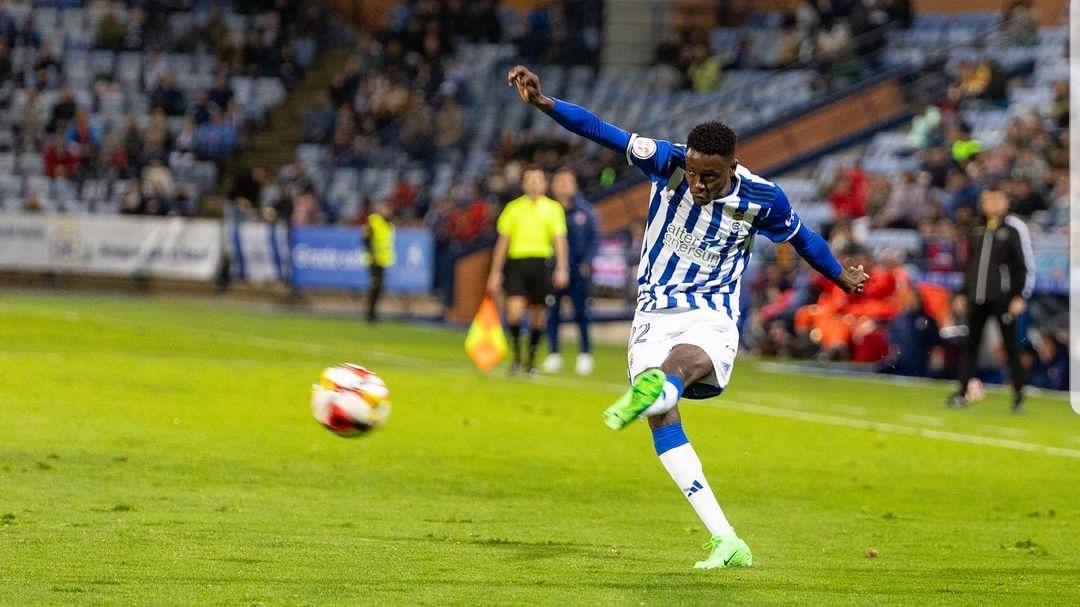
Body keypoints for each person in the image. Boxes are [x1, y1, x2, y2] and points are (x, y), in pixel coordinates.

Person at [507, 65, 868, 570]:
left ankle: (662, 385)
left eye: (711, 176)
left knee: (674, 370)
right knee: (660, 414)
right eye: (694, 173)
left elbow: (803, 238)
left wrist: (837, 275)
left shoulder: (763, 198)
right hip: (654, 309)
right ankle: (726, 539)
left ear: (733, 165)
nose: (698, 183)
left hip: (711, 312)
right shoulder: (668, 161)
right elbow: (600, 130)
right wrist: (547, 105)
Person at [947, 187, 1033, 412]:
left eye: (996, 199)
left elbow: (1023, 266)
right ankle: (962, 391)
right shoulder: (976, 228)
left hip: (1002, 299)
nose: (992, 204)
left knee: (1011, 347)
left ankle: (1018, 396)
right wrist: (963, 293)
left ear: (1005, 200)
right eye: (987, 199)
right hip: (977, 297)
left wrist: (1019, 295)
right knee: (970, 346)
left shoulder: (1014, 228)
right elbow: (970, 266)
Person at [486, 167, 570, 376]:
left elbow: (559, 240)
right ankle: (516, 356)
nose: (533, 183)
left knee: (538, 315)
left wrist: (562, 267)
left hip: (541, 263)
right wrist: (495, 272)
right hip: (517, 263)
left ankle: (530, 363)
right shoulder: (513, 208)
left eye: (537, 180)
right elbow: (502, 243)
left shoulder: (553, 209)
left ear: (544, 184)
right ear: (524, 184)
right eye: (529, 179)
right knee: (513, 312)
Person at [541, 168, 599, 375]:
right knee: (552, 313)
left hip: (578, 271)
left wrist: (587, 262)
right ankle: (554, 354)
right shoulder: (547, 210)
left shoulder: (585, 212)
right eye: (560, 181)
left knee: (581, 313)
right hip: (552, 269)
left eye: (568, 181)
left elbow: (594, 239)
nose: (564, 185)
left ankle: (585, 355)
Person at [364, 202, 396, 323]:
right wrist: (373, 257)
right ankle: (371, 314)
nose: (387, 211)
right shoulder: (373, 221)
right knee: (375, 286)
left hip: (383, 260)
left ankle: (372, 313)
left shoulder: (389, 224)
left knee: (379, 288)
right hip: (374, 261)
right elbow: (366, 240)